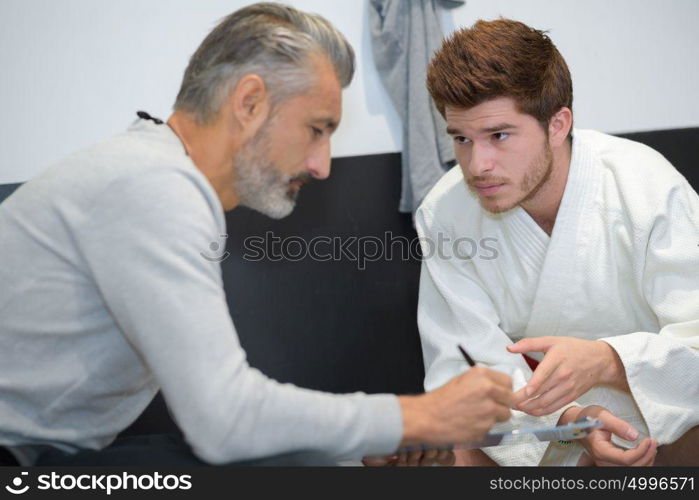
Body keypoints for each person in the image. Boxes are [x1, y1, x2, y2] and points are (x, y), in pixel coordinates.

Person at [0, 3, 513, 467]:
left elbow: (229, 415)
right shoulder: (154, 186)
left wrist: (363, 441)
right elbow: (226, 421)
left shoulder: (150, 172)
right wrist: (418, 418)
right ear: (248, 102)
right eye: (317, 129)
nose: (322, 166)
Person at [415, 18, 699, 466]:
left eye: (499, 135)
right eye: (462, 139)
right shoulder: (444, 213)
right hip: (541, 426)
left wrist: (610, 360)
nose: (477, 165)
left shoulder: (646, 188)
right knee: (453, 448)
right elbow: (463, 364)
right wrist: (571, 420)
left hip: (657, 419)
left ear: (557, 124)